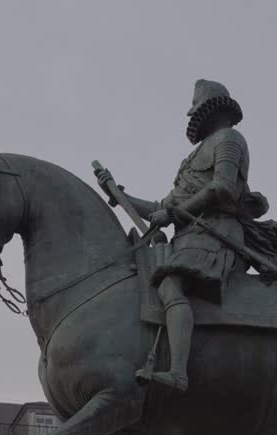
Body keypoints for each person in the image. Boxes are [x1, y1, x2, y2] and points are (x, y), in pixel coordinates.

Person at [95, 79, 253, 393]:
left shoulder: (229, 139)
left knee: (170, 283)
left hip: (217, 235)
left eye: (195, 110)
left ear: (209, 110)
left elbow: (221, 188)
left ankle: (178, 372)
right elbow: (163, 207)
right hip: (188, 236)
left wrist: (174, 214)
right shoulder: (191, 159)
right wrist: (119, 195)